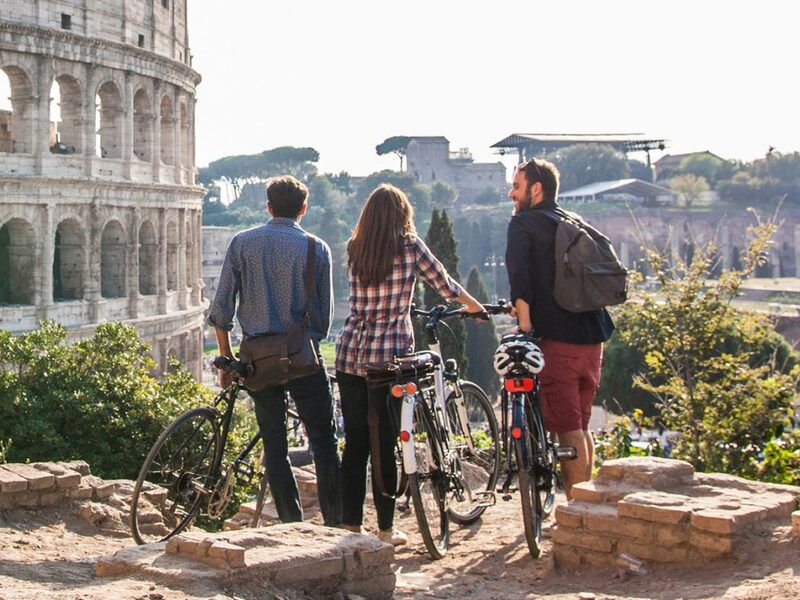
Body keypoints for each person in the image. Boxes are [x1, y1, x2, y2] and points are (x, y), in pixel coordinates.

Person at [335, 183, 485, 545]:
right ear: (402, 215)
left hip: (350, 353)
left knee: (355, 443)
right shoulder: (410, 246)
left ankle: (351, 526)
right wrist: (475, 307)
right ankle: (385, 531)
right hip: (389, 360)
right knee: (384, 441)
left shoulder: (355, 248)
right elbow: (445, 285)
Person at [208, 175, 342, 526]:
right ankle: (334, 523)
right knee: (325, 443)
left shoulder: (242, 243)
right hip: (302, 357)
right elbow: (323, 319)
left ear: (267, 207)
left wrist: (227, 361)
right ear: (303, 209)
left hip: (258, 360)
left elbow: (221, 310)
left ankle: (291, 524)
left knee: (275, 448)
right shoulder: (317, 248)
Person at [505, 159, 615, 499]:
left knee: (567, 431)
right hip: (593, 336)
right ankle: (585, 504)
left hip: (559, 340)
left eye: (517, 186)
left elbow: (521, 284)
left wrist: (524, 330)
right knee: (581, 425)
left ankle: (574, 512)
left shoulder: (523, 224)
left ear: (536, 189)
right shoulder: (571, 220)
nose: (511, 193)